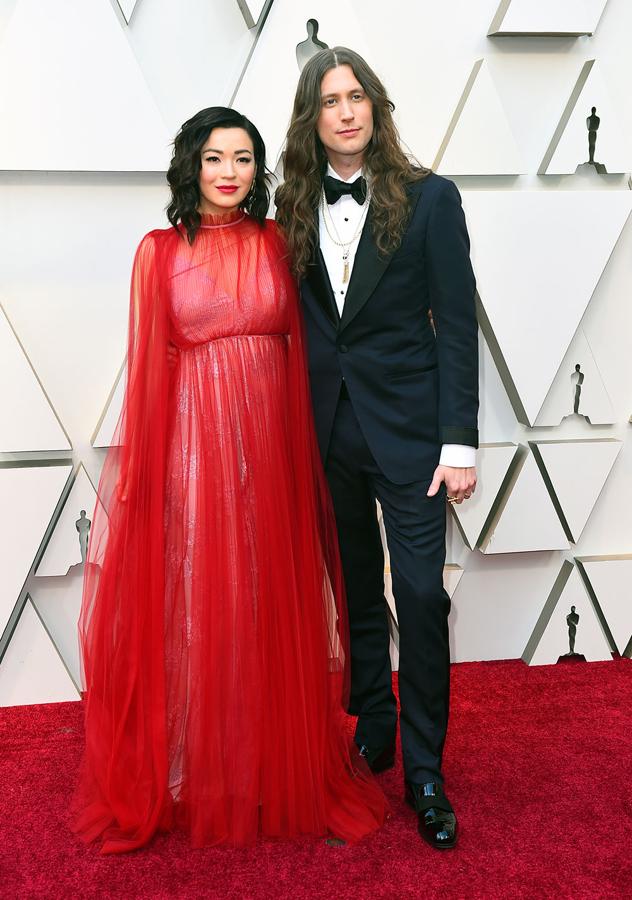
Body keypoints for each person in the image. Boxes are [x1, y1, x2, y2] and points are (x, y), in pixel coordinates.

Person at [72, 106, 388, 854]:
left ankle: (264, 763)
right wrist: (147, 474)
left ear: (258, 170)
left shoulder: (280, 243)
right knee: (200, 603)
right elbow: (150, 369)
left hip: (271, 446)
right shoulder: (157, 251)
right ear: (192, 165)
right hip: (192, 447)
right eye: (215, 158)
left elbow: (308, 347)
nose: (228, 172)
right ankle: (193, 769)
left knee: (264, 599)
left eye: (243, 158)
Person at [276, 48, 479, 850]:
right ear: (313, 118)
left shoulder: (432, 200)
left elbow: (457, 327)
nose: (347, 112)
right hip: (326, 430)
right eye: (330, 101)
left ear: (377, 106)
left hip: (415, 436)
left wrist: (459, 442)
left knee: (422, 597)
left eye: (357, 96)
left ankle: (426, 772)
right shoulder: (291, 205)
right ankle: (376, 731)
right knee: (358, 597)